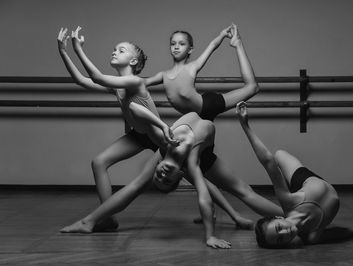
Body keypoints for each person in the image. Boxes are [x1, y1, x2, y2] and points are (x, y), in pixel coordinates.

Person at [57, 26, 252, 231]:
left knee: (195, 177)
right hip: (138, 135)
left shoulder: (134, 81)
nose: (114, 52)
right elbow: (81, 80)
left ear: (133, 62)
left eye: (121, 50)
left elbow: (96, 77)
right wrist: (64, 52)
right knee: (99, 163)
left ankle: (234, 215)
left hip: (160, 139)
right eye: (115, 49)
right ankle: (107, 218)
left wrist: (78, 48)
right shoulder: (117, 84)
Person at [147, 24, 284, 221]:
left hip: (206, 107)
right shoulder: (163, 75)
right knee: (228, 186)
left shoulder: (191, 67)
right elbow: (203, 185)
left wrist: (223, 37)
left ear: (190, 48)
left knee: (252, 88)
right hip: (198, 130)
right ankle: (290, 216)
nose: (176, 47)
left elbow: (211, 47)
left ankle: (238, 45)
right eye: (173, 43)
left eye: (181, 43)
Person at [61, 110, 235, 249]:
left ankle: (88, 221)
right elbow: (204, 195)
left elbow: (140, 111)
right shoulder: (190, 161)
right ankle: (89, 221)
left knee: (138, 184)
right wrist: (210, 235)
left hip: (188, 128)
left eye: (160, 176)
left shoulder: (165, 145)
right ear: (180, 176)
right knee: (139, 184)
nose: (163, 174)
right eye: (166, 179)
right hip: (202, 130)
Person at [235, 101, 353, 248]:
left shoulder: (288, 201)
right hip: (318, 190)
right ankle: (287, 187)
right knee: (279, 159)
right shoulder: (313, 236)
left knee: (279, 155)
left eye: (278, 228)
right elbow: (336, 233)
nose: (284, 233)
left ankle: (288, 185)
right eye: (280, 239)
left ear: (278, 217)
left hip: (303, 179)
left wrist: (245, 125)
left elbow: (268, 162)